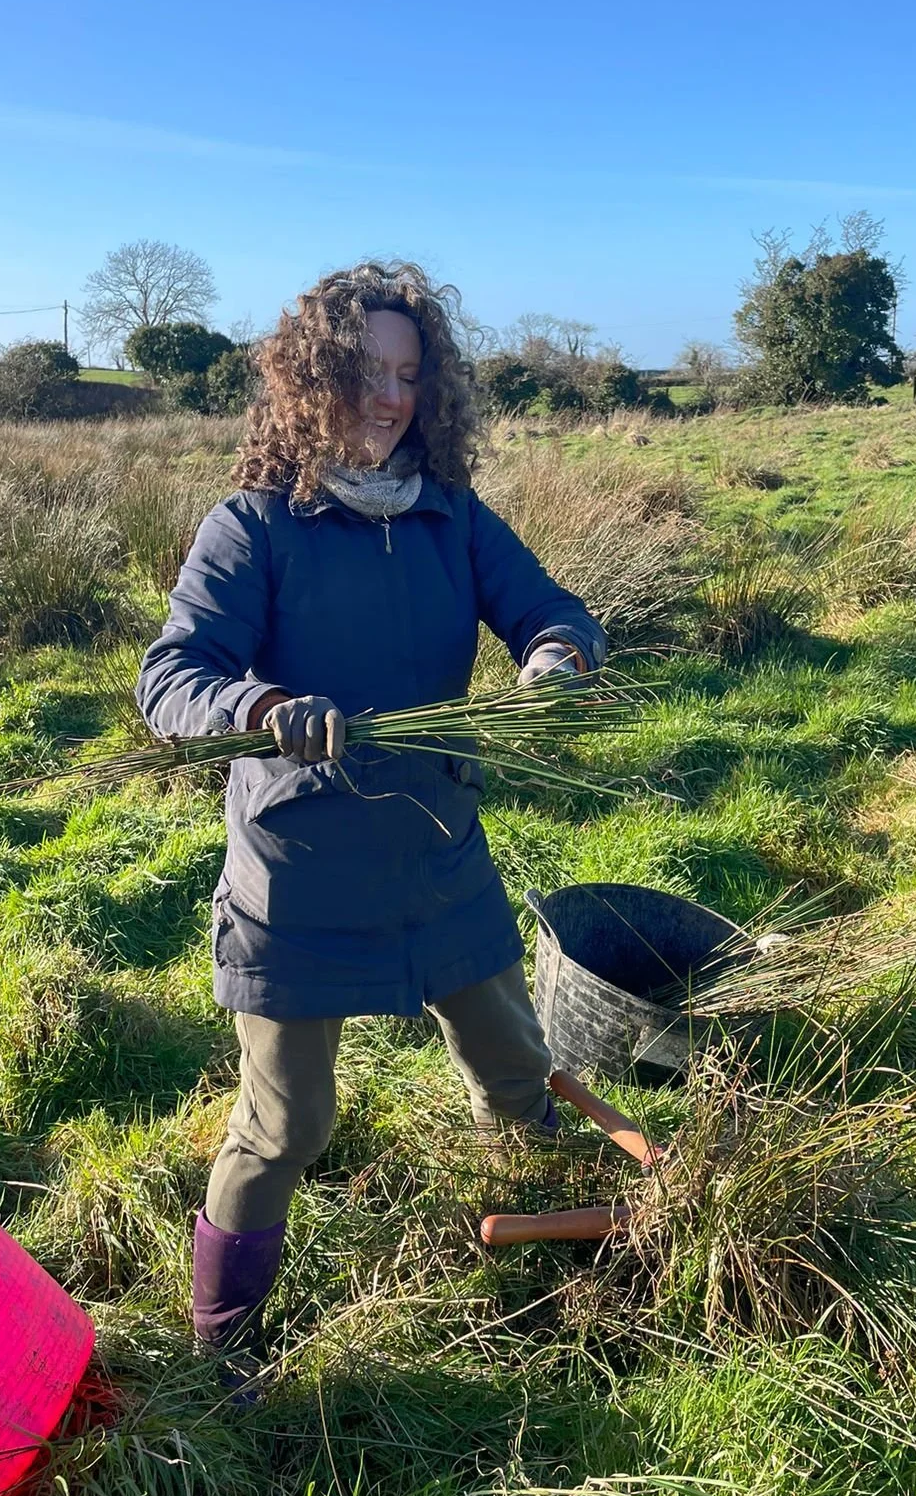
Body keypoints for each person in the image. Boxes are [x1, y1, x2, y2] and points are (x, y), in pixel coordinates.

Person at [136, 261, 606, 1373]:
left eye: (408, 375)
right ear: (311, 383)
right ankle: (223, 1358)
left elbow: (552, 609)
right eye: (365, 374)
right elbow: (171, 678)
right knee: (286, 1125)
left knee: (517, 1075)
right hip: (299, 878)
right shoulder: (255, 527)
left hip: (438, 859)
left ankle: (547, 1277)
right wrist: (259, 707)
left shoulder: (451, 517)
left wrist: (555, 653)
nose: (390, 399)